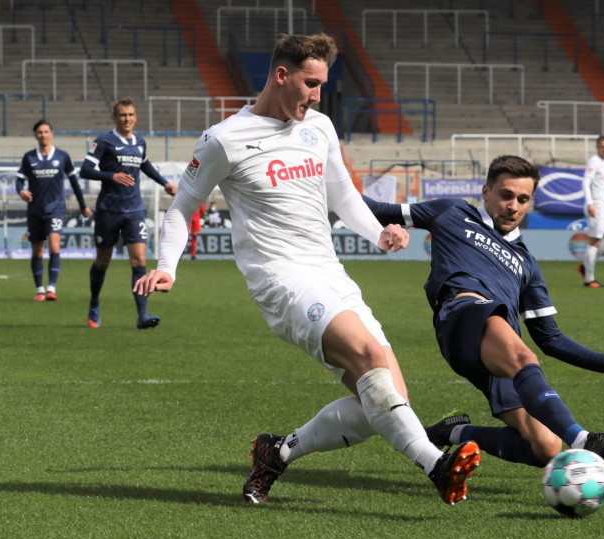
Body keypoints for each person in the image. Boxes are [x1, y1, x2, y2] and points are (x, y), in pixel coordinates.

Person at [133, 33, 480, 506]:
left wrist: (378, 232)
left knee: (382, 401)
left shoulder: (319, 127)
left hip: (329, 272)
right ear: (281, 75)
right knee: (369, 359)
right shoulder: (224, 139)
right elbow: (181, 208)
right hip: (280, 278)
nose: (317, 95)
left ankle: (276, 452)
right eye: (310, 84)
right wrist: (167, 266)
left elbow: (344, 197)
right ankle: (436, 467)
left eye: (322, 85)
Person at [362, 155, 604, 471]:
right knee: (521, 355)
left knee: (546, 447)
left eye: (523, 199)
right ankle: (583, 440)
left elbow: (550, 339)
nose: (513, 206)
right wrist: (321, 178)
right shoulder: (452, 211)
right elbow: (378, 209)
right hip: (462, 316)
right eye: (506, 195)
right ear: (486, 192)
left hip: (500, 349)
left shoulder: (527, 264)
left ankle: (450, 432)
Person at [80, 97, 177, 328]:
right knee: (103, 260)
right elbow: (85, 170)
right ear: (115, 118)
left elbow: (145, 165)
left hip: (134, 210)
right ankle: (94, 303)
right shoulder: (104, 141)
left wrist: (165, 183)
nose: (128, 119)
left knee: (139, 259)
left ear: (135, 117)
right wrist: (110, 176)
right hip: (108, 211)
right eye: (123, 115)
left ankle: (142, 315)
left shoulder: (139, 142)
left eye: (131, 115)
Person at [16, 119, 92, 301]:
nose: (43, 135)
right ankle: (40, 289)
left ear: (52, 134)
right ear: (36, 135)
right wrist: (21, 191)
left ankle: (51, 288)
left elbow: (74, 182)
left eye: (46, 132)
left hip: (56, 209)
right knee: (37, 251)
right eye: (39, 132)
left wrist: (82, 206)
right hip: (35, 211)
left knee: (55, 246)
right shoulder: (29, 158)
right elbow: (19, 180)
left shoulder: (62, 156)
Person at [576, 135, 604, 288]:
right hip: (595, 207)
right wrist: (590, 204)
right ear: (597, 148)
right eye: (602, 147)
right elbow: (586, 182)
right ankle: (589, 279)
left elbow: (602, 187)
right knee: (595, 240)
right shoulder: (594, 161)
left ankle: (585, 266)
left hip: (603, 207)